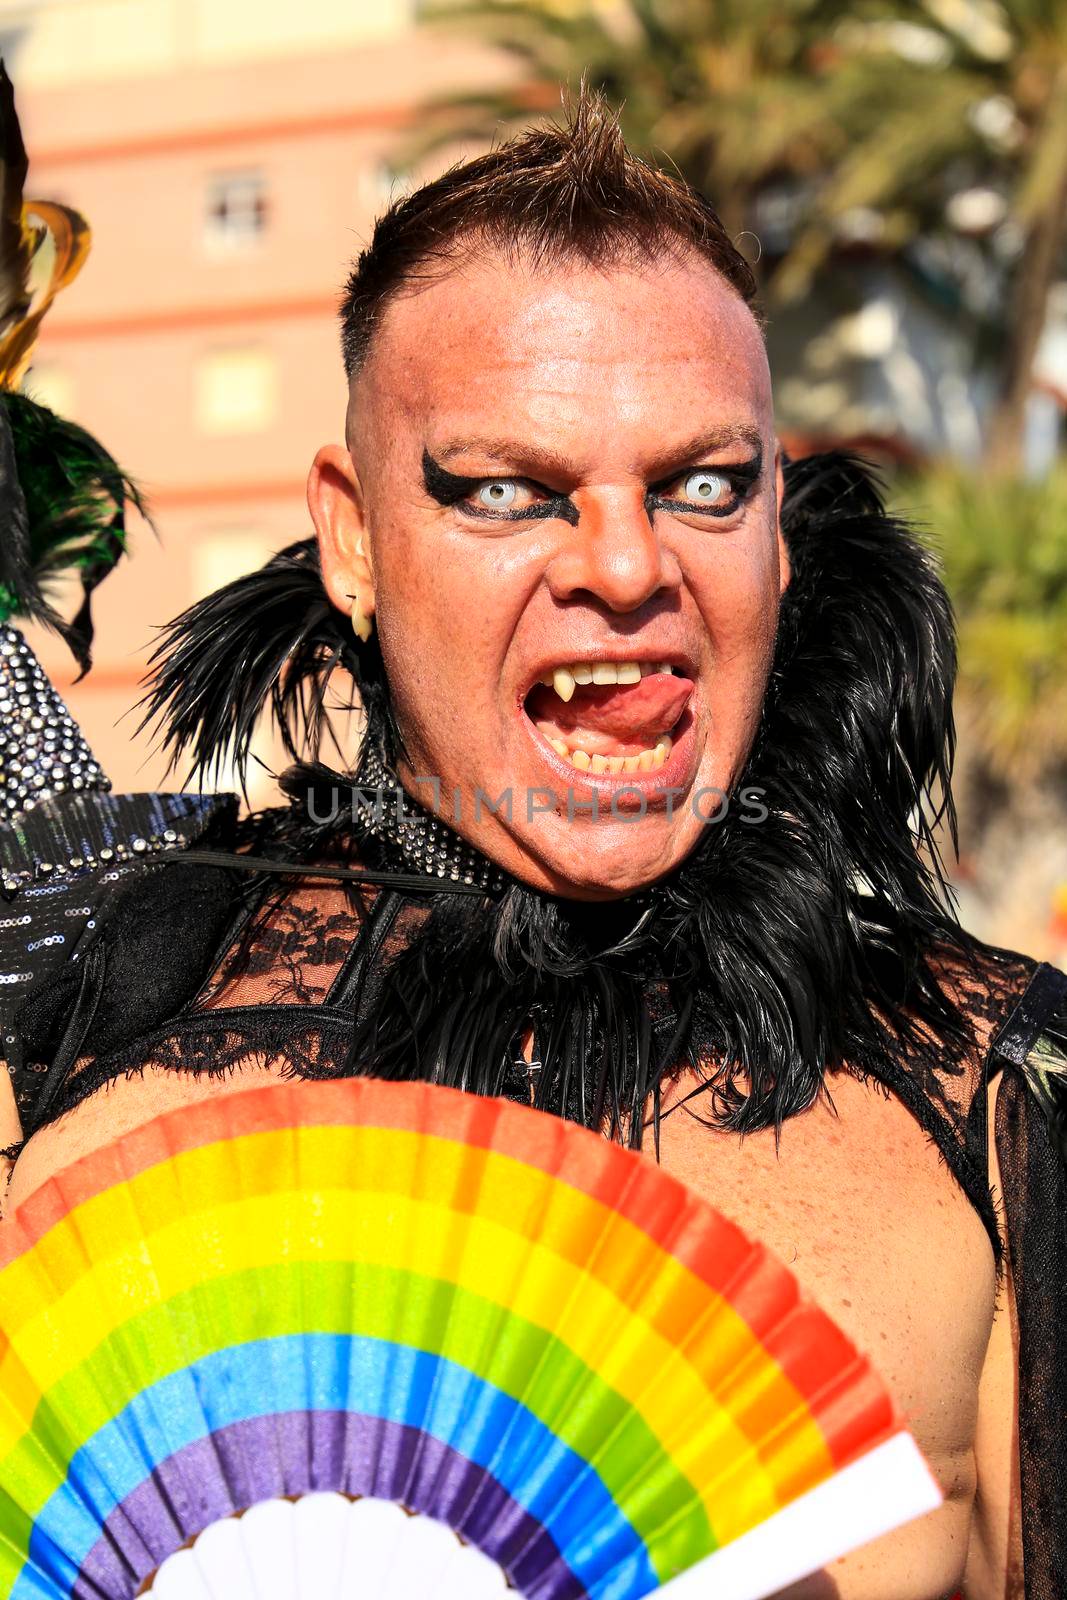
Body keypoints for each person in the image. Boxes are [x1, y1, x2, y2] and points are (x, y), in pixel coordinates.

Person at [2, 85, 1064, 1600]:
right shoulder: (83, 1022)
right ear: (353, 539)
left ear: (779, 523)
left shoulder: (990, 1087)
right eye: (508, 490)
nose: (627, 567)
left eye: (705, 484)